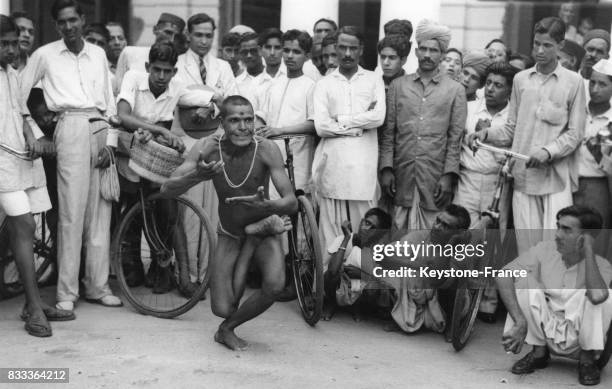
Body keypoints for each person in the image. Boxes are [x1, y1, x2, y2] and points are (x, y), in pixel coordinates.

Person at [160, 95, 298, 351]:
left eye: (248, 119)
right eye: (235, 121)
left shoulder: (266, 148)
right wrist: (196, 175)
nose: (244, 127)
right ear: (221, 122)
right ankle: (251, 239)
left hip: (265, 225)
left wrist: (267, 207)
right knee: (222, 307)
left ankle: (227, 329)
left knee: (275, 285)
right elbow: (167, 189)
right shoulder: (206, 147)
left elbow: (291, 202)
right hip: (231, 232)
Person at [20, 0, 121, 311]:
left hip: (100, 126)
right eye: (62, 22)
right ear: (56, 26)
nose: (68, 27)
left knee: (100, 213)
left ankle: (98, 286)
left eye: (73, 20)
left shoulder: (99, 54)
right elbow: (18, 96)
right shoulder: (44, 55)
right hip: (70, 125)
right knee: (70, 214)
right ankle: (67, 292)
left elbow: (110, 102)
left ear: (82, 19)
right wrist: (35, 133)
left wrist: (113, 142)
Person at [469, 17, 586, 254]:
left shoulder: (574, 82)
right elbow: (512, 128)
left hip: (555, 180)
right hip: (522, 178)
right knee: (528, 251)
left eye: (547, 45)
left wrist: (547, 151)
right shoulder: (521, 80)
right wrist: (485, 134)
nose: (540, 51)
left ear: (560, 45)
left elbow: (575, 133)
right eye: (536, 44)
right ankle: (528, 294)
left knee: (558, 250)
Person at [0, 14, 74, 337]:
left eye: (14, 44)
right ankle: (32, 307)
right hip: (3, 163)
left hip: (21, 161)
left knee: (20, 230)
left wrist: (33, 136)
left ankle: (29, 302)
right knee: (26, 225)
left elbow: (22, 112)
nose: (11, 50)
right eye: (4, 44)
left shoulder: (13, 75)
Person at [497, 205, 612, 386]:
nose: (557, 234)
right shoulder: (544, 250)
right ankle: (539, 353)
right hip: (545, 330)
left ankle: (587, 361)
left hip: (579, 339)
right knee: (522, 279)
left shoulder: (601, 265)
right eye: (558, 226)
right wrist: (519, 320)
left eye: (566, 230)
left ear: (586, 237)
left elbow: (598, 297)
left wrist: (588, 249)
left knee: (605, 296)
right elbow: (503, 275)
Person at [379, 19, 466, 232]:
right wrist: (387, 168)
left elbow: (455, 139)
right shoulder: (399, 86)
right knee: (399, 234)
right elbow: (389, 133)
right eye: (423, 49)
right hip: (402, 174)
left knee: (432, 237)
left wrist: (448, 176)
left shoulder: (455, 90)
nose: (427, 55)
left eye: (433, 50)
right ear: (416, 52)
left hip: (434, 176)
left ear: (442, 55)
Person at [454, 62, 517, 323]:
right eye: (488, 83)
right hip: (468, 178)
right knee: (464, 237)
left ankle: (488, 302)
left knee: (494, 241)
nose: (491, 89)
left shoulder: (514, 117)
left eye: (498, 85)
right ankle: (458, 299)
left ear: (510, 90)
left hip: (497, 182)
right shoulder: (468, 109)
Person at [312, 26, 385, 249]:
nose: (347, 53)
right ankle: (329, 282)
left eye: (352, 48)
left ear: (361, 50)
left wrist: (341, 118)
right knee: (330, 237)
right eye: (342, 47)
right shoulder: (324, 83)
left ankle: (361, 282)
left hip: (363, 170)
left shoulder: (373, 80)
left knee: (365, 236)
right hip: (332, 167)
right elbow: (322, 127)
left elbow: (378, 117)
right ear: (335, 48)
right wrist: (356, 126)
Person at [360, 204, 472, 334]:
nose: (437, 227)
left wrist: (450, 247)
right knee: (387, 276)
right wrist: (419, 267)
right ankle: (403, 316)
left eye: (445, 226)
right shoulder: (419, 237)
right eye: (438, 221)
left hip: (443, 299)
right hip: (418, 295)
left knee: (450, 284)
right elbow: (382, 257)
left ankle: (452, 325)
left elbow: (438, 280)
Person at [258, 29, 316, 198]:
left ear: (307, 56)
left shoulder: (311, 86)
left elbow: (313, 124)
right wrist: (259, 130)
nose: (290, 56)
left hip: (298, 157)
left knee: (296, 209)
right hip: (270, 155)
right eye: (287, 50)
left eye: (296, 52)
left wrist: (280, 130)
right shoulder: (275, 84)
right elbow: (261, 116)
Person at [322, 207, 392, 322]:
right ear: (361, 221)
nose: (366, 228)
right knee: (332, 274)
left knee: (374, 285)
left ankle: (357, 307)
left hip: (358, 290)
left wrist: (361, 274)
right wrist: (346, 239)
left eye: (373, 228)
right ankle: (331, 304)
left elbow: (384, 279)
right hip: (338, 286)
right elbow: (332, 270)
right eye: (366, 222)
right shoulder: (343, 239)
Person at [573, 59, 612, 258]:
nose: (596, 89)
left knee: (594, 242)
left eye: (603, 84)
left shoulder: (611, 121)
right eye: (593, 83)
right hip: (569, 182)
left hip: (598, 187)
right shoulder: (577, 109)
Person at [175, 13, 236, 107]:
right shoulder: (177, 63)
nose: (204, 41)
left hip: (217, 121)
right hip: (183, 121)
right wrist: (213, 97)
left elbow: (232, 101)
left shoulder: (223, 66)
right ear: (188, 35)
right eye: (199, 35)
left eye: (208, 36)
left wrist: (212, 109)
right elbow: (177, 95)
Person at [114, 12, 185, 93]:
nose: (172, 39)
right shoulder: (130, 53)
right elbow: (117, 88)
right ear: (155, 30)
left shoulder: (178, 63)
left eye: (176, 36)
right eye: (168, 33)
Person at [235, 32, 266, 109]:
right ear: (240, 54)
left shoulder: (274, 78)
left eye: (253, 51)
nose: (249, 55)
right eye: (244, 52)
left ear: (260, 50)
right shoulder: (236, 83)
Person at [580, 29, 610, 99]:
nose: (593, 55)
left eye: (599, 51)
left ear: (606, 57)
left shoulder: (608, 89)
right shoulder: (569, 77)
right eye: (590, 49)